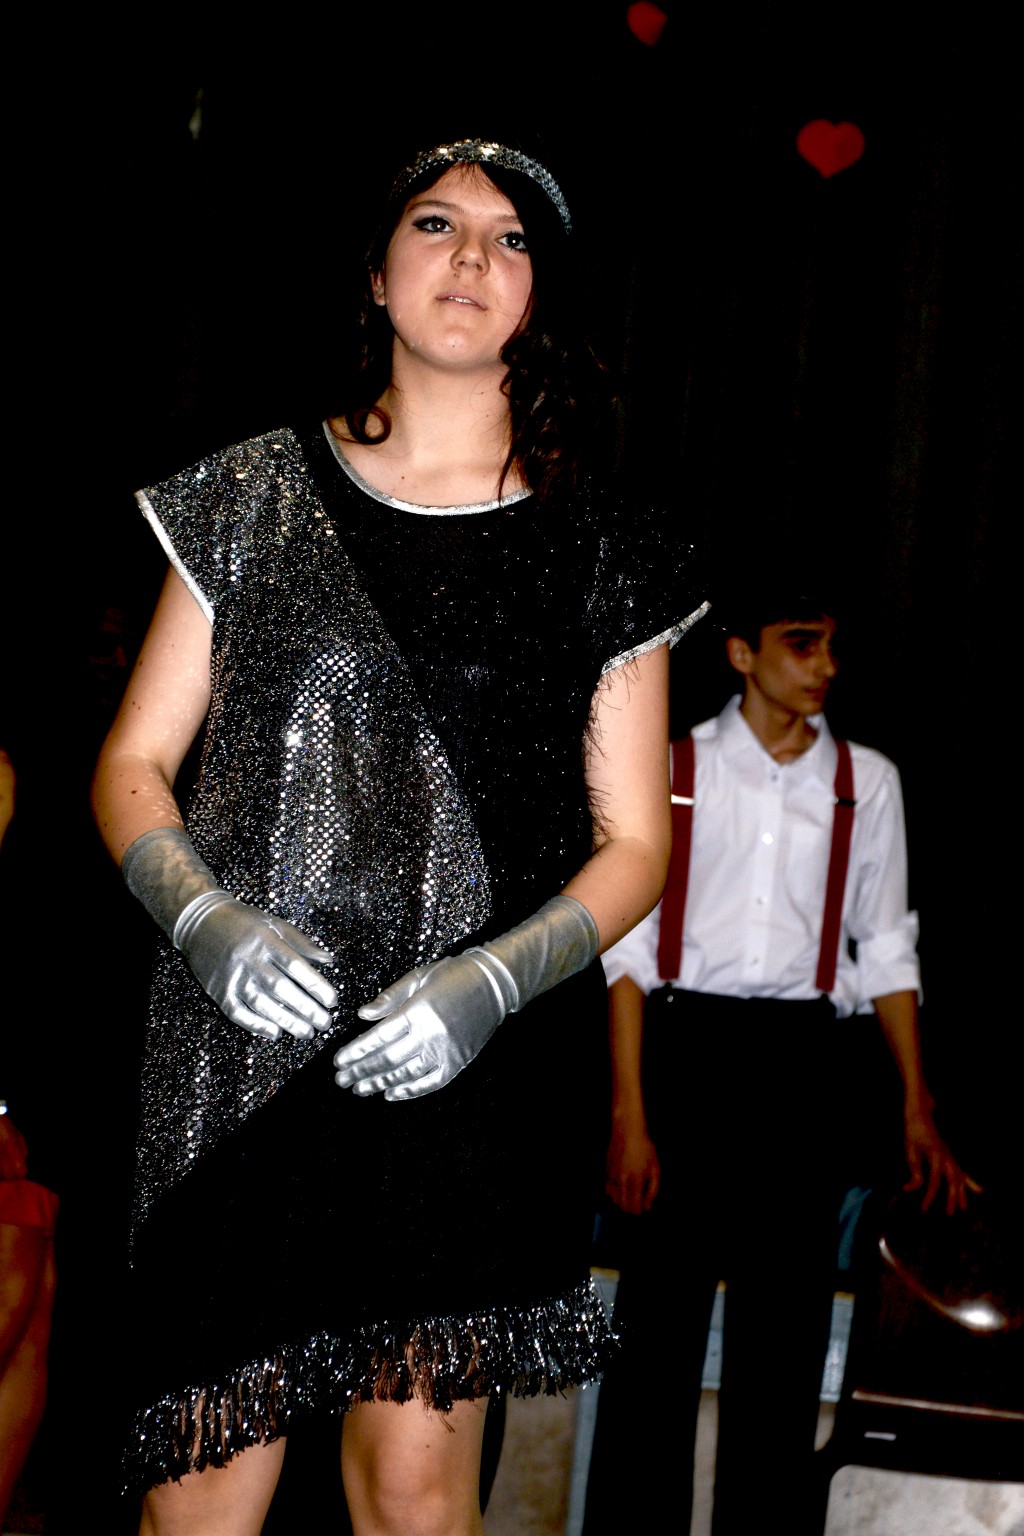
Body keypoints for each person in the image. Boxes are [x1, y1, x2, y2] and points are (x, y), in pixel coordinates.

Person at [90, 129, 709, 1536]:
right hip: (242, 1048)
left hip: (472, 1060)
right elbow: (130, 762)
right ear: (375, 274)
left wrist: (491, 982)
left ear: (539, 296)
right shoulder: (251, 493)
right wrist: (203, 915)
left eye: (511, 238)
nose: (472, 257)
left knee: (417, 1494)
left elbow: (634, 845)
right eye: (437, 224)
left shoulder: (604, 541)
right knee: (198, 1498)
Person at [580, 579, 978, 1536]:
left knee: (785, 1342)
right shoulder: (675, 768)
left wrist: (917, 1108)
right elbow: (626, 954)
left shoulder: (865, 782)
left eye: (834, 646)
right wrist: (630, 1114)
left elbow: (887, 951)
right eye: (803, 643)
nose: (826, 667)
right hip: (685, 1056)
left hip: (803, 1069)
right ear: (741, 654)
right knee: (655, 1337)